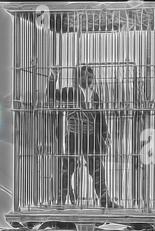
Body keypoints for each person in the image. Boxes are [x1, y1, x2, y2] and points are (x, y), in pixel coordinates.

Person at [48, 65, 121, 208]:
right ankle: (61, 201)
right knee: (67, 167)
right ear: (77, 78)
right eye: (85, 77)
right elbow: (51, 95)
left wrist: (105, 133)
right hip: (74, 134)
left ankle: (105, 199)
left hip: (91, 135)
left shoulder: (95, 95)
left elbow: (100, 116)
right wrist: (53, 77)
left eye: (90, 77)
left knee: (97, 167)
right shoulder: (69, 92)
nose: (88, 80)